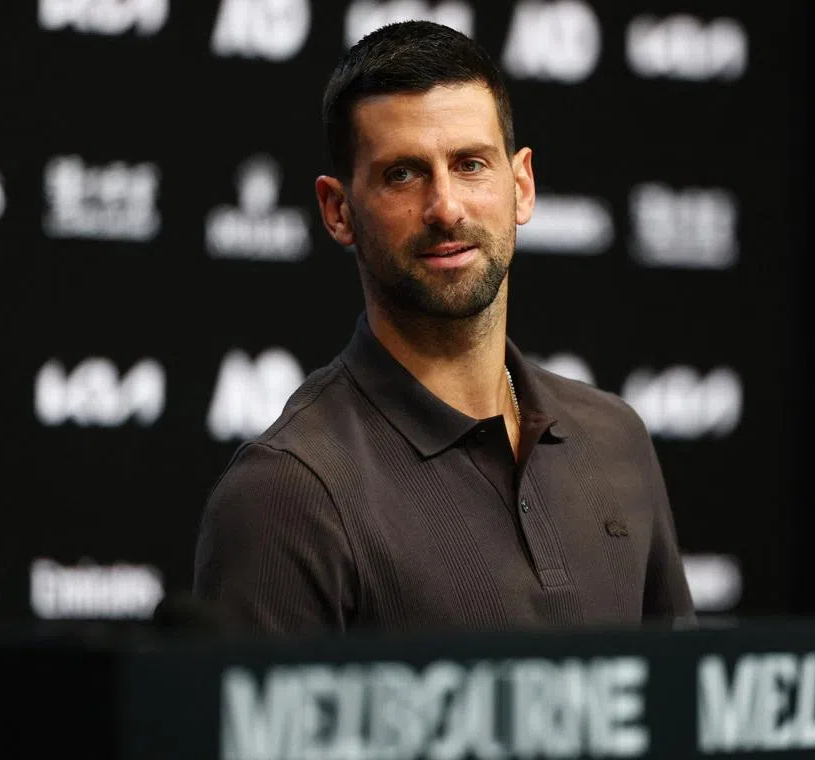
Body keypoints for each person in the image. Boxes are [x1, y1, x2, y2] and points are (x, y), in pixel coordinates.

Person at [192, 20, 695, 634]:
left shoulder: (616, 438)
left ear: (522, 185)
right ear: (338, 210)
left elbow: (679, 695)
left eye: (470, 164)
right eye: (403, 173)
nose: (446, 207)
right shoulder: (286, 491)